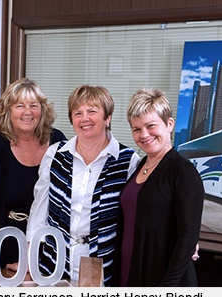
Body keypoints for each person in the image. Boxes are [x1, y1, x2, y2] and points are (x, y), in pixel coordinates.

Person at [25, 85, 140, 286]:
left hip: (102, 260)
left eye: (92, 111)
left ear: (108, 117)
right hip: (55, 258)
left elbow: (133, 217)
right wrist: (29, 254)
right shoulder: (55, 154)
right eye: (78, 113)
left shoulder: (128, 160)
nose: (84, 118)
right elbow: (40, 207)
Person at [0, 77, 66, 272]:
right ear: (8, 111)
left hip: (47, 246)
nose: (27, 112)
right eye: (19, 106)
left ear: (43, 109)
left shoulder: (58, 141)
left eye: (34, 105)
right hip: (5, 244)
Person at [118, 88, 204, 286]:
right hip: (128, 272)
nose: (144, 135)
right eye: (136, 129)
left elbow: (188, 238)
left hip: (163, 281)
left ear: (169, 124)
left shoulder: (183, 171)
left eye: (151, 126)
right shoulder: (140, 166)